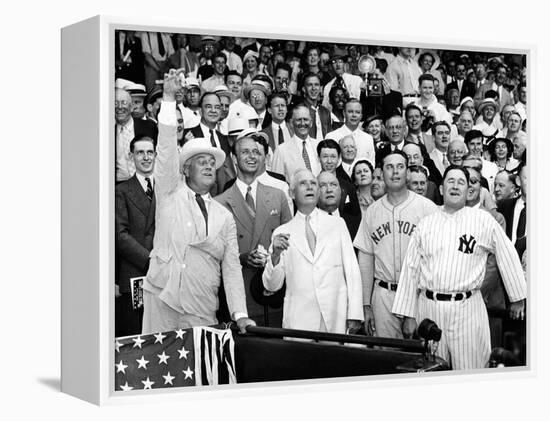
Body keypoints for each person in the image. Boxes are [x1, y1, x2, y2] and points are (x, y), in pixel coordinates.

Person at [141, 69, 255, 334]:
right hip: (163, 303)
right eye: (200, 162)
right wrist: (169, 99)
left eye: (211, 164)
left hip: (202, 307)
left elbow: (231, 267)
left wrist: (240, 314)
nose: (208, 167)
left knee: (200, 375)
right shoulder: (170, 192)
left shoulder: (224, 216)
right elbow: (167, 149)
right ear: (185, 169)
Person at [391, 165, 526, 370]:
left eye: (461, 182)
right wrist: (408, 314)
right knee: (432, 374)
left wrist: (517, 299)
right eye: (450, 181)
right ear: (442, 189)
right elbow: (411, 270)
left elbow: (507, 254)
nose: (455, 186)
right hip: (430, 308)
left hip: (468, 308)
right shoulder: (425, 224)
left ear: (469, 190)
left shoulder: (483, 220)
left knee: (471, 372)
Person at [262, 169, 364, 334]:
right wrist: (275, 255)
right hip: (299, 322)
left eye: (313, 183)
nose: (309, 187)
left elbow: (352, 271)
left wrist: (355, 314)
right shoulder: (282, 232)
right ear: (292, 193)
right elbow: (272, 285)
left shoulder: (337, 225)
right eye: (303, 183)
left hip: (335, 317)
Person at [353, 151, 438, 338]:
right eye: (389, 167)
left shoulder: (428, 209)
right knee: (386, 356)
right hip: (384, 295)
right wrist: (366, 305)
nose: (395, 172)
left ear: (407, 173)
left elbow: (437, 259)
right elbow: (366, 261)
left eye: (400, 167)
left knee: (422, 355)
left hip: (419, 293)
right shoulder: (372, 212)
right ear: (382, 174)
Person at [215, 133, 292, 327]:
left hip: (275, 291)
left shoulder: (278, 196)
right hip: (241, 292)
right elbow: (217, 253)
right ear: (234, 159)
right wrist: (242, 257)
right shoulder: (219, 203)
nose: (251, 156)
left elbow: (292, 241)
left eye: (256, 152)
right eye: (245, 152)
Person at [115, 135, 157, 337]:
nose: (146, 157)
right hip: (135, 273)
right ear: (131, 156)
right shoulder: (120, 191)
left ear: (156, 155)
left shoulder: (166, 189)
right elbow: (120, 236)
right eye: (140, 152)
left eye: (150, 152)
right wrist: (149, 260)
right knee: (137, 335)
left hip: (164, 275)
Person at [183, 92, 236, 195]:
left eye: (217, 107)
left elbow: (229, 173)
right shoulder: (188, 135)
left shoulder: (223, 139)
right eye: (208, 106)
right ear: (200, 110)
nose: (213, 110)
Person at [115, 87, 158, 183]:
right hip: (118, 186)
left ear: (131, 107)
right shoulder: (107, 132)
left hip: (146, 182)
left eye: (124, 103)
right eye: (115, 103)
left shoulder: (149, 127)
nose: (119, 107)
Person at [271, 105, 322, 181]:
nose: (302, 123)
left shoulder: (318, 146)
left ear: (311, 123)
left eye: (305, 119)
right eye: (298, 120)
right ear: (291, 123)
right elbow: (276, 183)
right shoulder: (281, 150)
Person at [325, 99, 376, 166]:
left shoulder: (368, 139)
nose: (354, 115)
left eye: (357, 112)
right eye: (350, 112)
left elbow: (371, 165)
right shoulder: (332, 137)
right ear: (344, 113)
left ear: (361, 116)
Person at [301, 72, 331, 140]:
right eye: (309, 85)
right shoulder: (299, 111)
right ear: (304, 89)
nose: (313, 88)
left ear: (321, 88)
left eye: (316, 85)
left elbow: (329, 137)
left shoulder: (325, 112)